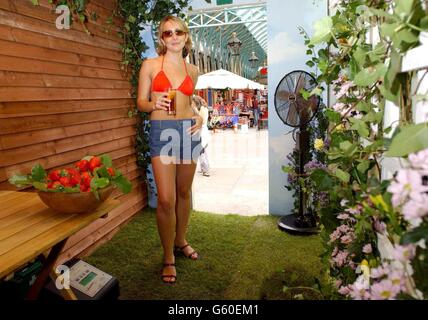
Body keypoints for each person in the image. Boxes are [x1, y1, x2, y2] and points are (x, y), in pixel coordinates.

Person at [137, 15, 203, 284]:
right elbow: (140, 102)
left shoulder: (194, 70)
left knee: (184, 191)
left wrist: (199, 116)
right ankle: (168, 256)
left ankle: (180, 240)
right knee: (166, 199)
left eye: (178, 32)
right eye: (167, 33)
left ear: (186, 36)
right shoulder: (151, 65)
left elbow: (191, 102)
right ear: (161, 39)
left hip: (189, 131)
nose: (173, 36)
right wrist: (154, 103)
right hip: (162, 132)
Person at [193, 96, 210, 176]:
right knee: (203, 151)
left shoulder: (202, 110)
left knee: (201, 151)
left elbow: (201, 121)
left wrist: (194, 110)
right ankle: (206, 167)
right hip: (202, 131)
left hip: (202, 132)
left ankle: (205, 169)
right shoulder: (203, 109)